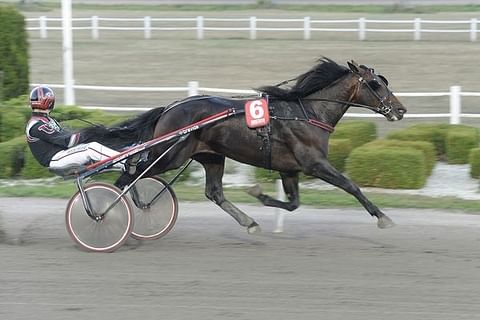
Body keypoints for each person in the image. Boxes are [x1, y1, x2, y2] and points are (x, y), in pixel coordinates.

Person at [25, 85, 124, 173]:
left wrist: (91, 134)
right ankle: (125, 162)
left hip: (62, 155)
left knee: (95, 143)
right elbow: (68, 141)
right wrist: (91, 132)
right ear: (50, 102)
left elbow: (66, 136)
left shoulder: (46, 120)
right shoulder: (37, 125)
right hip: (56, 159)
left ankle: (123, 157)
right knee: (91, 148)